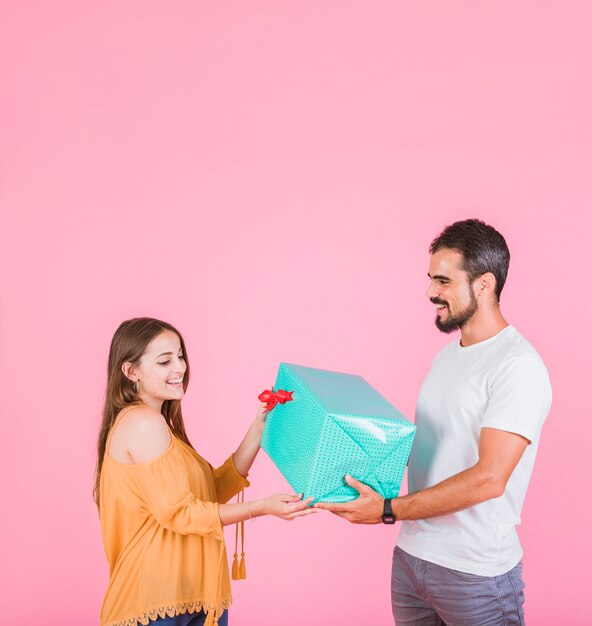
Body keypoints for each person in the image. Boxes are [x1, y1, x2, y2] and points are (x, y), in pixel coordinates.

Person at [316, 219, 552, 626]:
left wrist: (388, 509)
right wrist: (346, 459)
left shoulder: (518, 366)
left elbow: (489, 478)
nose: (430, 293)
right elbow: (428, 448)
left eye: (443, 281)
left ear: (484, 284)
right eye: (430, 279)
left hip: (475, 574)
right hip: (412, 561)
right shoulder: (448, 356)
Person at [94, 317, 314, 626]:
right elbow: (181, 513)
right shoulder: (143, 423)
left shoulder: (162, 428)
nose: (179, 368)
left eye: (180, 356)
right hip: (155, 604)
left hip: (192, 598)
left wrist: (259, 426)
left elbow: (209, 492)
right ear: (131, 371)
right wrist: (261, 508)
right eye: (164, 361)